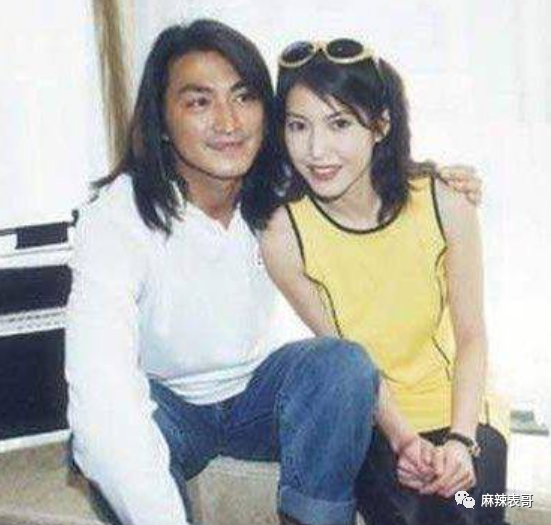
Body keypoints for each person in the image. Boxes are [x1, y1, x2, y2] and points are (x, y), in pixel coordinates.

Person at [66, 20, 481, 525]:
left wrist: (440, 181)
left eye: (244, 97)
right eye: (199, 102)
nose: (228, 122)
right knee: (100, 432)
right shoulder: (115, 219)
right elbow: (102, 399)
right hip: (171, 409)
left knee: (478, 500)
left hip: (303, 405)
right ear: (161, 119)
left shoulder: (279, 191)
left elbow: (359, 171)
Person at [260, 39, 509, 525]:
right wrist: (404, 438)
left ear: (381, 125)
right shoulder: (284, 234)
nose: (316, 150)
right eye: (298, 125)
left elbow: (472, 336)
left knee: (476, 507)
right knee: (416, 516)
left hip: (460, 405)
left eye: (339, 124)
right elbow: (344, 358)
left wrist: (461, 441)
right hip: (376, 414)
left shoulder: (444, 201)